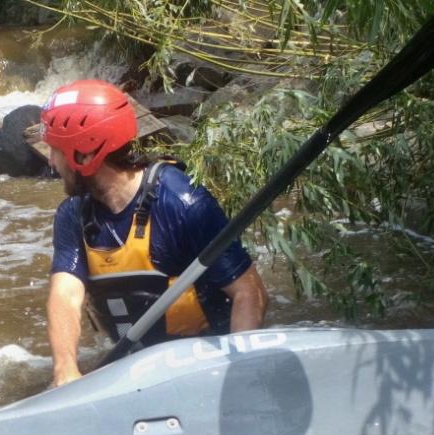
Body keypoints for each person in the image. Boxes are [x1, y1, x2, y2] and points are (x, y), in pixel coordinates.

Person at [41, 79, 268, 387]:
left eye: (56, 151)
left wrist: (240, 373)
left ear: (84, 155)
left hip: (201, 364)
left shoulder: (183, 203)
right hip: (135, 370)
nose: (51, 163)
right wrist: (65, 369)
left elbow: (249, 292)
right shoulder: (74, 215)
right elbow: (66, 295)